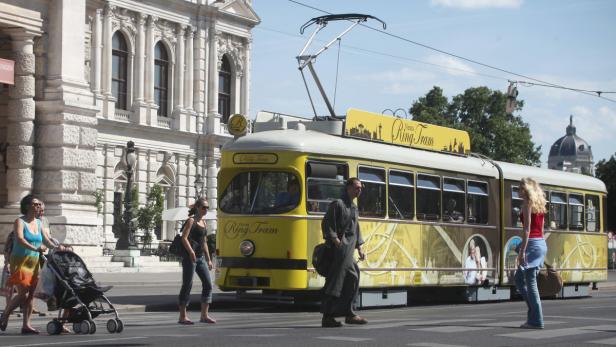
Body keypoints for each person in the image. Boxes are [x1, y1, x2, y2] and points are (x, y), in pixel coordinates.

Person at [0, 195, 56, 334]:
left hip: (35, 262)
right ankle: (5, 314)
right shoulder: (20, 221)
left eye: (39, 204)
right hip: (20, 261)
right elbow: (19, 238)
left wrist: (58, 247)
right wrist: (35, 248)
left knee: (31, 295)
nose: (38, 207)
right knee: (23, 294)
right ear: (27, 206)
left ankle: (26, 325)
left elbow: (47, 240)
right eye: (35, 204)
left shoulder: (38, 222)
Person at [320, 177, 367, 328]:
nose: (359, 190)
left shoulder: (353, 207)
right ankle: (328, 317)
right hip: (339, 251)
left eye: (360, 188)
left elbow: (355, 228)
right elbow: (327, 224)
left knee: (353, 277)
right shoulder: (338, 204)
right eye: (356, 187)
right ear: (348, 188)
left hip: (348, 250)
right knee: (336, 282)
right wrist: (337, 242)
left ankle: (349, 314)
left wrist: (359, 248)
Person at [514, 177, 548, 329]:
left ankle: (536, 320)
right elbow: (538, 228)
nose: (518, 191)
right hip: (540, 242)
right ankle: (533, 313)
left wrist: (522, 252)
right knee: (520, 279)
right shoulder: (539, 203)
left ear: (526, 189)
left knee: (530, 283)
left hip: (532, 244)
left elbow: (527, 230)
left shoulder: (527, 203)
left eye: (520, 188)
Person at [177, 197, 215, 325]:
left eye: (207, 208)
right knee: (187, 284)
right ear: (197, 208)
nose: (205, 210)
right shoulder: (191, 221)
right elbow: (184, 238)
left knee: (208, 284)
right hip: (190, 258)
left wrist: (209, 259)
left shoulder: (204, 223)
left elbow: (204, 242)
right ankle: (182, 317)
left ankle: (204, 316)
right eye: (203, 207)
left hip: (200, 258)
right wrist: (191, 252)